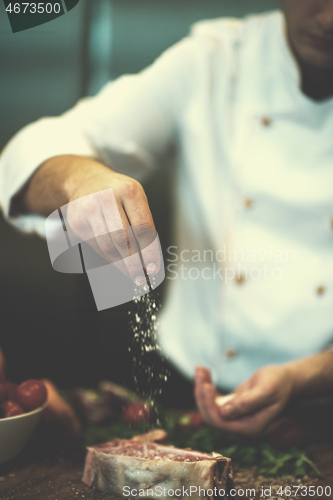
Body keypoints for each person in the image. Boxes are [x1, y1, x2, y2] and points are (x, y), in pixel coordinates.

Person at [1, 0, 333, 437]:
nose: (329, 18)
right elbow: (32, 149)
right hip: (187, 391)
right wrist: (79, 180)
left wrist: (306, 375)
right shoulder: (219, 59)